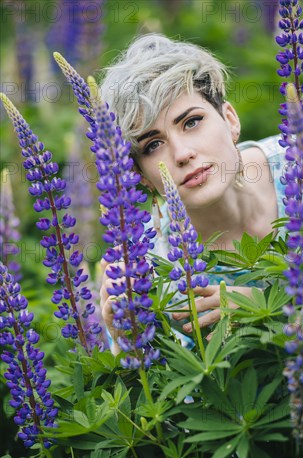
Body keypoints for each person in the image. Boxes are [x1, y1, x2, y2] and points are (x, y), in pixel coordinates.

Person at [98, 34, 286, 354]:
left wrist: (270, 310)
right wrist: (129, 342)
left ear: (230, 120)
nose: (182, 153)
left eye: (192, 121)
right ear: (140, 176)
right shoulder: (151, 271)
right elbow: (183, 398)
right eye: (153, 144)